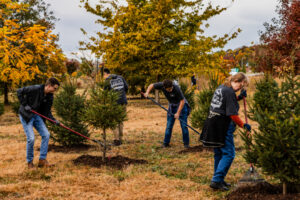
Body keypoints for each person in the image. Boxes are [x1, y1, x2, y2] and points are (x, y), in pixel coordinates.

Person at [200, 72, 251, 191]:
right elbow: (232, 114)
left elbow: (224, 104)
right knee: (229, 153)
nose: (241, 89)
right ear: (241, 82)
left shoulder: (222, 87)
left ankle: (218, 179)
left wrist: (238, 97)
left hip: (212, 122)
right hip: (222, 125)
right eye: (242, 86)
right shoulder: (229, 92)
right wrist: (243, 125)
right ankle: (217, 180)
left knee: (219, 152)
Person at [17, 77, 60, 169]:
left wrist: (53, 120)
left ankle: (42, 160)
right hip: (26, 115)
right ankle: (30, 163)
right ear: (49, 86)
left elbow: (47, 112)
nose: (55, 90)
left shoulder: (50, 96)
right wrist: (25, 105)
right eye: (55, 88)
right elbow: (19, 91)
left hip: (36, 116)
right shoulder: (35, 88)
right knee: (31, 139)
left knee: (46, 135)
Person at [143, 79, 191, 148]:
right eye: (168, 89)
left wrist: (178, 113)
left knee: (184, 126)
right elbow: (151, 85)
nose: (170, 90)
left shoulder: (176, 88)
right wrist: (147, 92)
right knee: (169, 126)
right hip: (172, 106)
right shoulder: (161, 85)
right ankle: (166, 143)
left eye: (171, 88)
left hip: (181, 106)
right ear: (164, 87)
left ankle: (186, 144)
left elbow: (182, 101)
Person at [103, 68, 128, 146]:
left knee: (114, 121)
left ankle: (116, 140)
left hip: (114, 102)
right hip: (123, 101)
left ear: (105, 73)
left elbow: (105, 93)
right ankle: (120, 138)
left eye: (103, 75)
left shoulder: (107, 80)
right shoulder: (121, 77)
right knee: (120, 120)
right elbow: (126, 87)